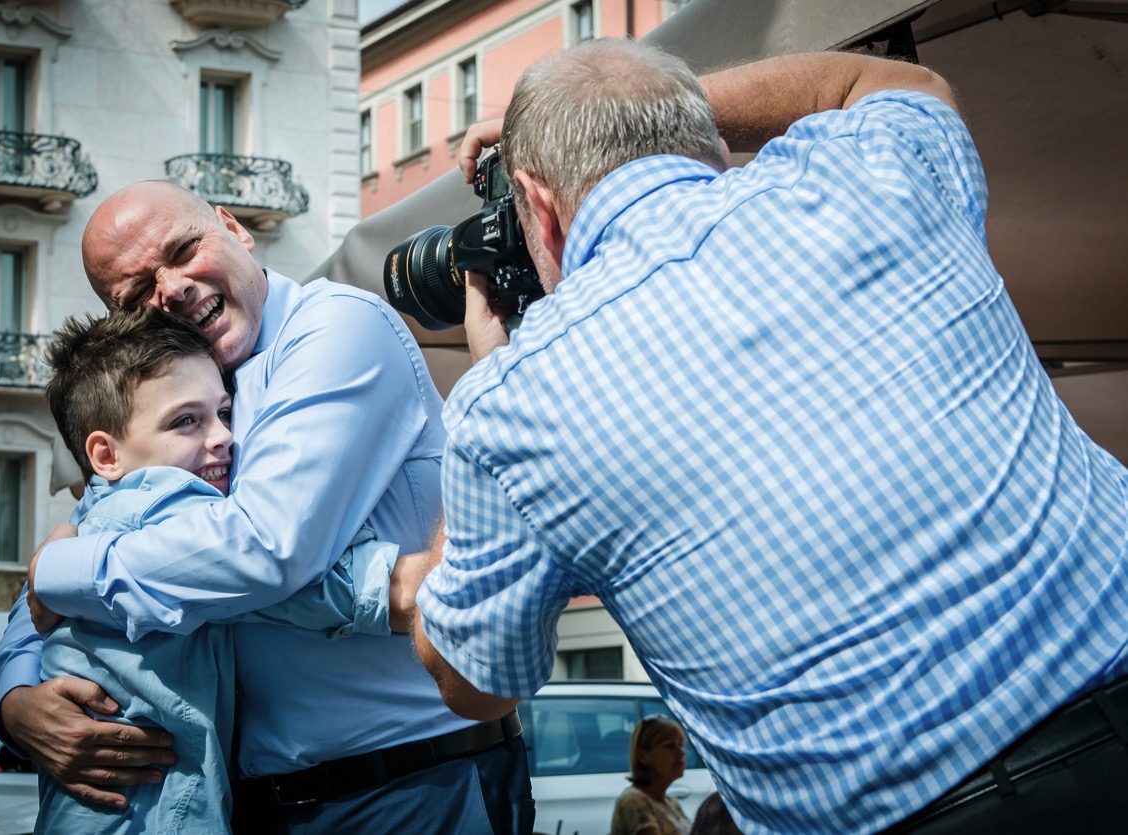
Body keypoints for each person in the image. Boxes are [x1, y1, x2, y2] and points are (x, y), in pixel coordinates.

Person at [410, 38, 1128, 834]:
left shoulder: (512, 400)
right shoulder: (873, 169)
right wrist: (630, 113)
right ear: (717, 147)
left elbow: (475, 683)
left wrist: (484, 400)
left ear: (533, 204)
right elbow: (892, 80)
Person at [0, 180, 532, 833]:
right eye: (135, 293)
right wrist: (16, 694)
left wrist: (65, 574)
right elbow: (96, 527)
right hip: (255, 801)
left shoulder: (333, 326)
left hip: (410, 783)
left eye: (184, 250)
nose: (173, 287)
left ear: (234, 228)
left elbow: (268, 548)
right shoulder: (166, 391)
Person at [35, 306, 399, 833]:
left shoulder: (98, 514)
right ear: (106, 454)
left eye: (224, 413)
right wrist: (397, 581)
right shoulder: (160, 506)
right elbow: (264, 582)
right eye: (187, 421)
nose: (223, 436)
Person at [610, 716, 692, 835]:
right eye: (669, 746)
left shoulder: (671, 802)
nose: (681, 752)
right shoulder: (634, 799)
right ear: (643, 756)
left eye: (681, 745)